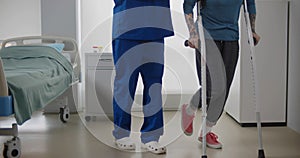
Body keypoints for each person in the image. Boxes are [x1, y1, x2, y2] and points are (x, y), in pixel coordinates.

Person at [181, 0, 261, 149]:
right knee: (213, 88)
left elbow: (250, 5)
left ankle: (206, 131)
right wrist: (193, 34)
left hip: (231, 38)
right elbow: (187, 5)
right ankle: (189, 110)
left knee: (224, 90)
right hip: (206, 36)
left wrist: (252, 30)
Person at [111, 0, 174, 154]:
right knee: (125, 85)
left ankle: (151, 136)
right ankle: (122, 133)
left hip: (155, 29)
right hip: (127, 29)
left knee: (154, 85)